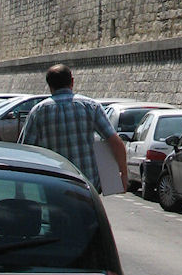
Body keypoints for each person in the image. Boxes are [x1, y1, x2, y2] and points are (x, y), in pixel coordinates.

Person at [18, 63, 128, 192]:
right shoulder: (91, 106)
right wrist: (123, 175)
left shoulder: (38, 111)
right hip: (86, 185)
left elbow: (25, 151)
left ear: (49, 85)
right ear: (72, 81)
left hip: (53, 186)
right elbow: (115, 142)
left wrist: (21, 188)